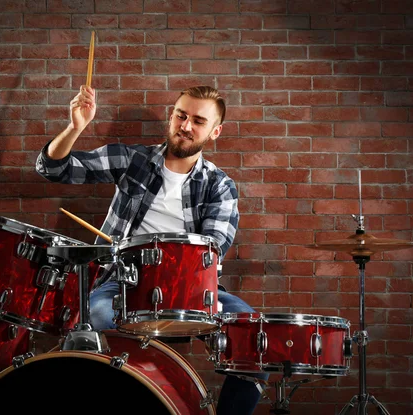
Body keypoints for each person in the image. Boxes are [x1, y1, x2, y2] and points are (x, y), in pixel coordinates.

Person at [36, 84, 267, 415]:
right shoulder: (134, 160)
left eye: (198, 121)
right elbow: (52, 168)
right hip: (123, 282)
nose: (186, 126)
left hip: (192, 288)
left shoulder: (220, 186)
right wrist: (76, 127)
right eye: (181, 115)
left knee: (255, 339)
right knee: (99, 322)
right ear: (171, 117)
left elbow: (212, 249)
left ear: (214, 132)